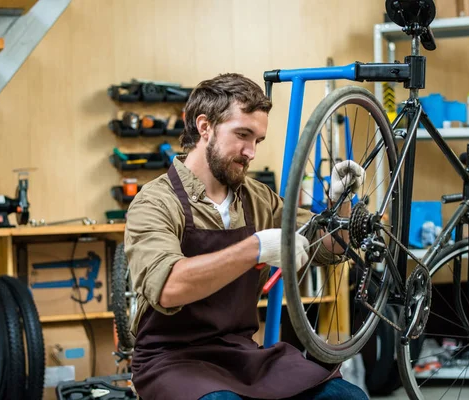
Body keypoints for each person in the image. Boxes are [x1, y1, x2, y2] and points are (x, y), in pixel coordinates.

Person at [124, 73, 368, 400]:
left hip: (240, 353)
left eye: (258, 140)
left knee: (348, 398)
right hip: (170, 360)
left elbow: (326, 246)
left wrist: (343, 207)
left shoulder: (257, 197)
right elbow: (169, 287)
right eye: (242, 135)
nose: (250, 152)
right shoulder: (155, 202)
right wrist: (255, 248)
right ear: (204, 126)